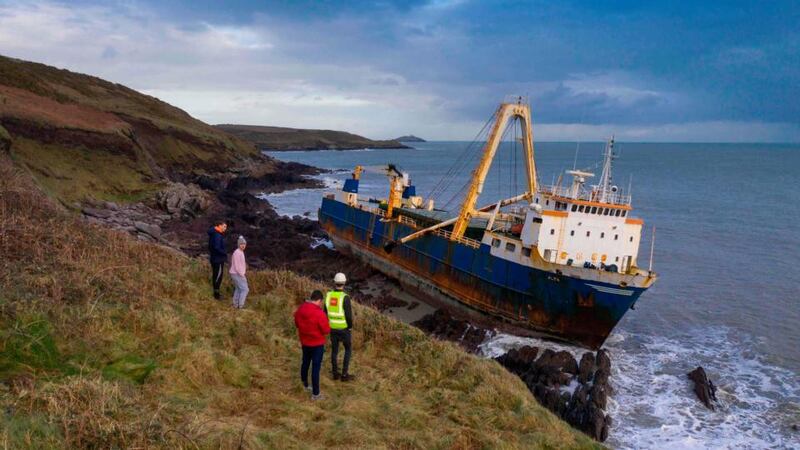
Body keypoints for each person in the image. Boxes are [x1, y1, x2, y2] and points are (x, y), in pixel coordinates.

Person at [294, 290, 331, 400]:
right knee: (315, 367)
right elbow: (326, 330)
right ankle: (316, 394)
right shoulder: (319, 313)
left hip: (305, 342)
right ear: (319, 300)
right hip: (317, 344)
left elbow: (296, 323)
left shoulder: (301, 308)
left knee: (305, 362)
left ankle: (304, 384)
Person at [325, 273, 355, 382]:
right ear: (344, 283)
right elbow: (348, 316)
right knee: (348, 349)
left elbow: (325, 313)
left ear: (334, 282)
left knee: (334, 350)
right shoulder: (345, 298)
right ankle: (344, 375)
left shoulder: (328, 296)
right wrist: (350, 327)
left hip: (332, 328)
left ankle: (335, 374)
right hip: (344, 329)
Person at [207, 220, 227, 300]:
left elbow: (210, 246)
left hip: (214, 258)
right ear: (219, 225)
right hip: (218, 260)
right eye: (224, 226)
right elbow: (216, 247)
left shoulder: (214, 233)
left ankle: (216, 293)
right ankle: (216, 295)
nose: (225, 228)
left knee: (216, 275)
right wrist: (224, 253)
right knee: (218, 276)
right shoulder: (217, 235)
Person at [229, 235, 249, 309]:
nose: (243, 245)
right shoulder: (237, 253)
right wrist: (242, 275)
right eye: (241, 244)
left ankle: (235, 304)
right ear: (238, 244)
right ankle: (241, 305)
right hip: (237, 273)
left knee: (238, 288)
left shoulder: (240, 252)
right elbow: (237, 266)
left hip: (235, 273)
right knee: (245, 289)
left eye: (244, 244)